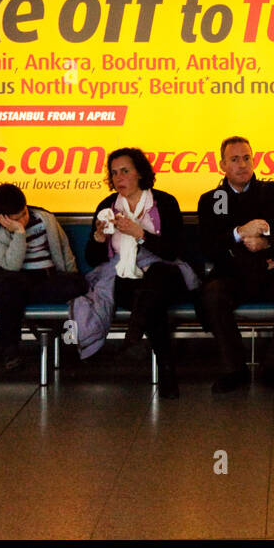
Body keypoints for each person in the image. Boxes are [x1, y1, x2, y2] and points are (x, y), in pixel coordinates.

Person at [196, 136, 274, 394]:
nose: (242, 164)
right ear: (222, 164)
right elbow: (209, 246)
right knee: (212, 296)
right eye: (234, 159)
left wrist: (267, 243)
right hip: (233, 274)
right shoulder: (211, 199)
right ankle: (235, 369)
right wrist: (238, 232)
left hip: (272, 271)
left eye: (247, 158)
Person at [84, 148, 194, 398]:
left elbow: (174, 251)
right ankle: (165, 368)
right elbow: (93, 260)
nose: (118, 178)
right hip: (126, 279)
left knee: (156, 275)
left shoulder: (164, 202)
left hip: (167, 274)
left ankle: (133, 337)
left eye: (125, 171)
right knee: (149, 300)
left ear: (140, 173)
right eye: (113, 173)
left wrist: (140, 234)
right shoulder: (107, 207)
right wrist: (99, 238)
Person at [0, 183, 85, 372]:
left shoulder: (44, 218)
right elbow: (12, 265)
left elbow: (64, 249)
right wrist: (19, 233)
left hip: (44, 280)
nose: (22, 220)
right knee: (10, 284)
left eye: (24, 214)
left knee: (77, 285)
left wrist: (71, 275)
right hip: (13, 278)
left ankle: (18, 319)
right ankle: (10, 348)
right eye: (15, 219)